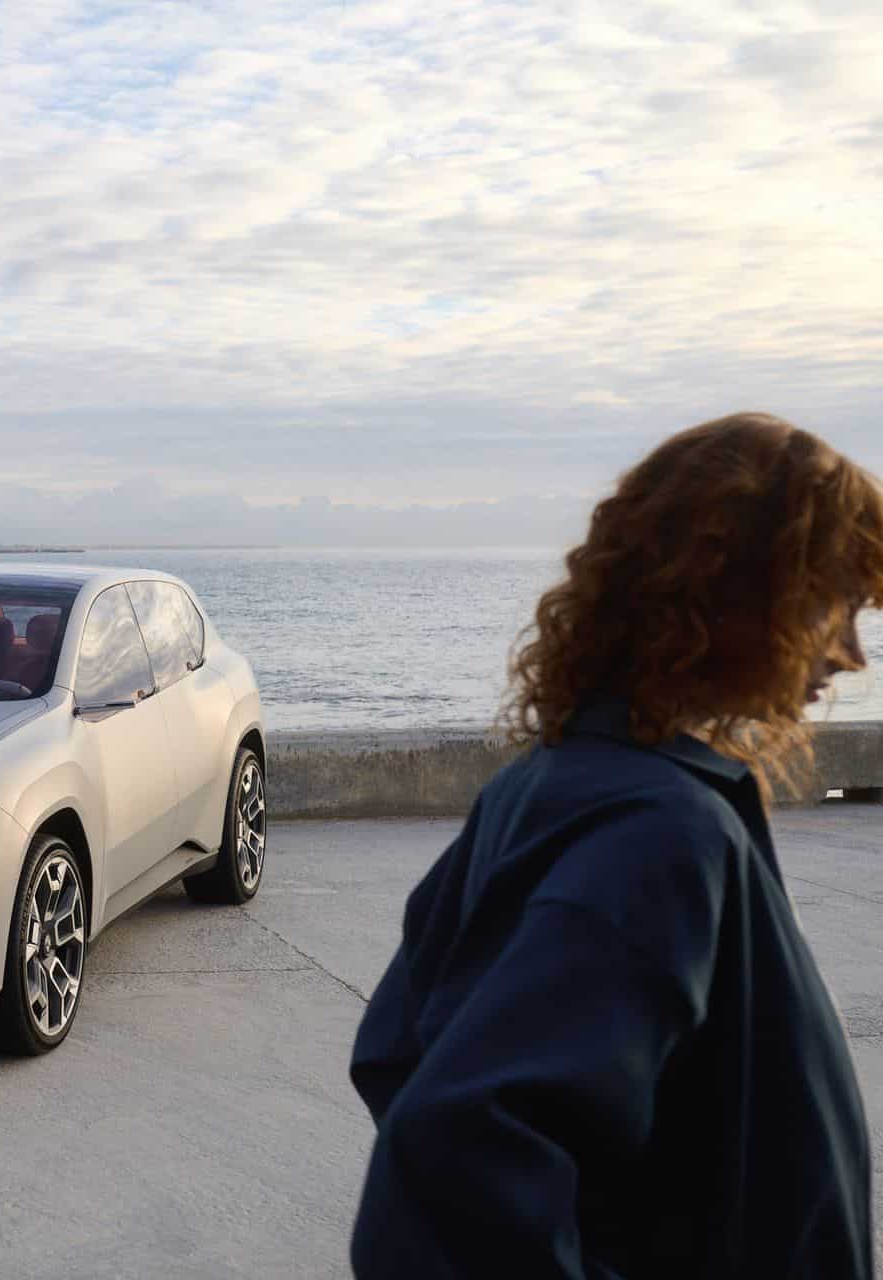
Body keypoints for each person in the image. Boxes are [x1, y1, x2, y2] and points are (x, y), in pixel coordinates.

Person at [349, 413, 878, 1278]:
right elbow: (450, 1155)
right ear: (739, 591)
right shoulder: (664, 832)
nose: (853, 654)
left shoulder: (546, 781)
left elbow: (395, 1051)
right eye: (835, 605)